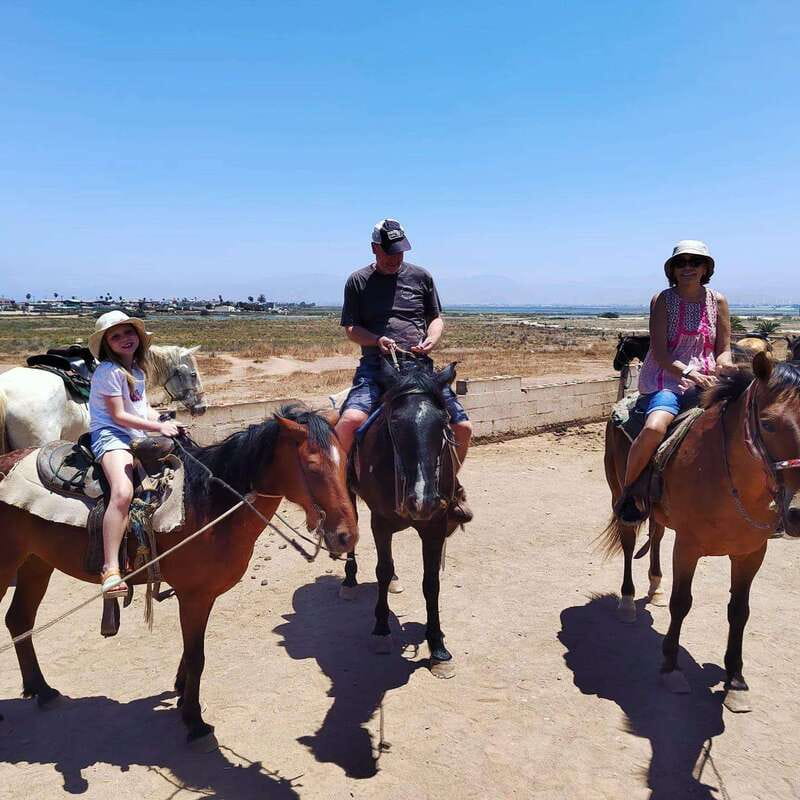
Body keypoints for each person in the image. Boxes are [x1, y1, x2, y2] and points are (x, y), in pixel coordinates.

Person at [335, 218, 473, 522]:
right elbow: (351, 328)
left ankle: (450, 489)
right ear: (374, 248)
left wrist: (431, 339)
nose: (395, 258)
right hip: (376, 367)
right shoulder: (357, 281)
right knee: (348, 424)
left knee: (462, 428)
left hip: (419, 368)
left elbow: (435, 318)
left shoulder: (421, 277)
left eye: (400, 252)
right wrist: (376, 340)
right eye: (388, 253)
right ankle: (338, 495)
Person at [616, 240, 734, 523]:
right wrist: (690, 373)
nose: (688, 268)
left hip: (707, 380)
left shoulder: (718, 301)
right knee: (656, 427)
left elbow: (724, 347)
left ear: (706, 267)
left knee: (750, 422)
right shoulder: (663, 300)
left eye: (695, 262)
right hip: (666, 381)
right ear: (672, 269)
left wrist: (724, 364)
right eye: (681, 263)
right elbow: (659, 351)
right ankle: (630, 492)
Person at [88, 310, 180, 597]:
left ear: (138, 337)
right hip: (112, 436)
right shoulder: (109, 372)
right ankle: (110, 569)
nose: (124, 339)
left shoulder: (136, 372)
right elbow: (119, 416)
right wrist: (157, 427)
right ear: (106, 345)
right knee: (123, 492)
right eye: (115, 336)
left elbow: (141, 410)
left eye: (128, 333)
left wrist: (164, 421)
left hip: (134, 435)